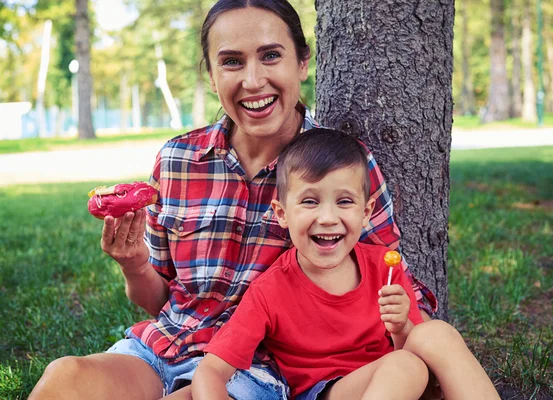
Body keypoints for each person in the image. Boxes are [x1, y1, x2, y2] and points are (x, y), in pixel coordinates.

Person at [29, 1, 437, 399]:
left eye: (271, 55)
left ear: (302, 63)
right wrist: (134, 265)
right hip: (162, 349)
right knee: (66, 377)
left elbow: (389, 282)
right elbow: (158, 299)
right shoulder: (178, 161)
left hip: (254, 373)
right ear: (210, 74)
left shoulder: (342, 170)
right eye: (231, 62)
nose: (253, 80)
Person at [190, 128, 500, 400]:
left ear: (366, 213)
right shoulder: (269, 291)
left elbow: (412, 348)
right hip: (329, 391)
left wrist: (402, 326)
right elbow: (212, 370)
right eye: (310, 201)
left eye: (344, 201)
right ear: (282, 213)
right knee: (405, 366)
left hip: (396, 382)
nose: (327, 218)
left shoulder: (384, 267)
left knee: (435, 335)